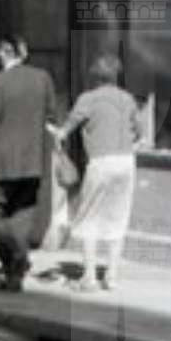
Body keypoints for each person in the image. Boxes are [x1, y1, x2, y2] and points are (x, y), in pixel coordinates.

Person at [49, 51, 144, 292]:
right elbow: (140, 133)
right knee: (118, 217)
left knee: (89, 216)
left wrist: (55, 132)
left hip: (101, 162)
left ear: (95, 77)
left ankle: (89, 278)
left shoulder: (88, 99)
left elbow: (65, 130)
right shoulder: (128, 99)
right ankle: (112, 277)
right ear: (116, 76)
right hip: (126, 162)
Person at [0, 34, 57, 292]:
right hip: (33, 162)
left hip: (0, 163)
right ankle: (13, 277)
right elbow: (51, 117)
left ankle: (19, 256)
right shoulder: (43, 79)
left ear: (2, 53)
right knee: (21, 216)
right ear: (23, 52)